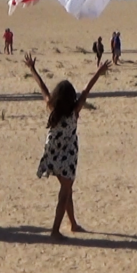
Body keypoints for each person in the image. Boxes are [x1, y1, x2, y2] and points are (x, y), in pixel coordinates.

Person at [24, 52, 110, 240]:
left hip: (52, 153)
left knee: (67, 187)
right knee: (65, 191)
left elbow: (43, 88)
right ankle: (55, 231)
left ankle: (73, 223)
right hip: (68, 156)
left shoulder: (52, 107)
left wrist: (32, 69)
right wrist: (99, 72)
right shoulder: (75, 110)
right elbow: (87, 89)